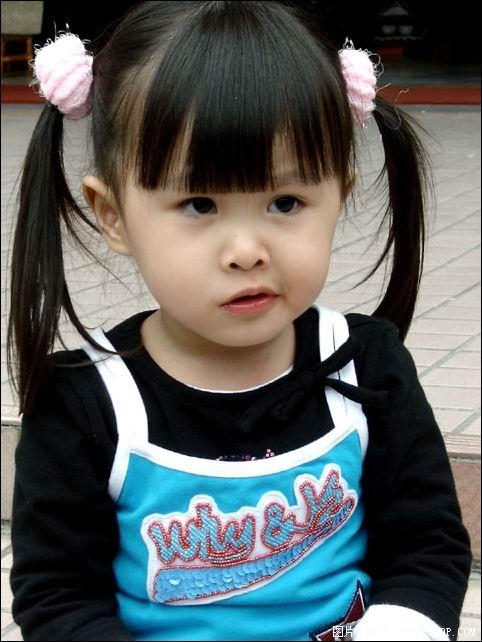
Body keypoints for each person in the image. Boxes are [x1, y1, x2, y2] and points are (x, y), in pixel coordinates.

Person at [7, 2, 471, 641]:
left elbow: (427, 546)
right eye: (199, 204)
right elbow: (58, 599)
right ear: (112, 215)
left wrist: (402, 626)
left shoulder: (366, 367)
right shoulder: (86, 406)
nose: (247, 251)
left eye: (286, 202)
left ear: (339, 194)